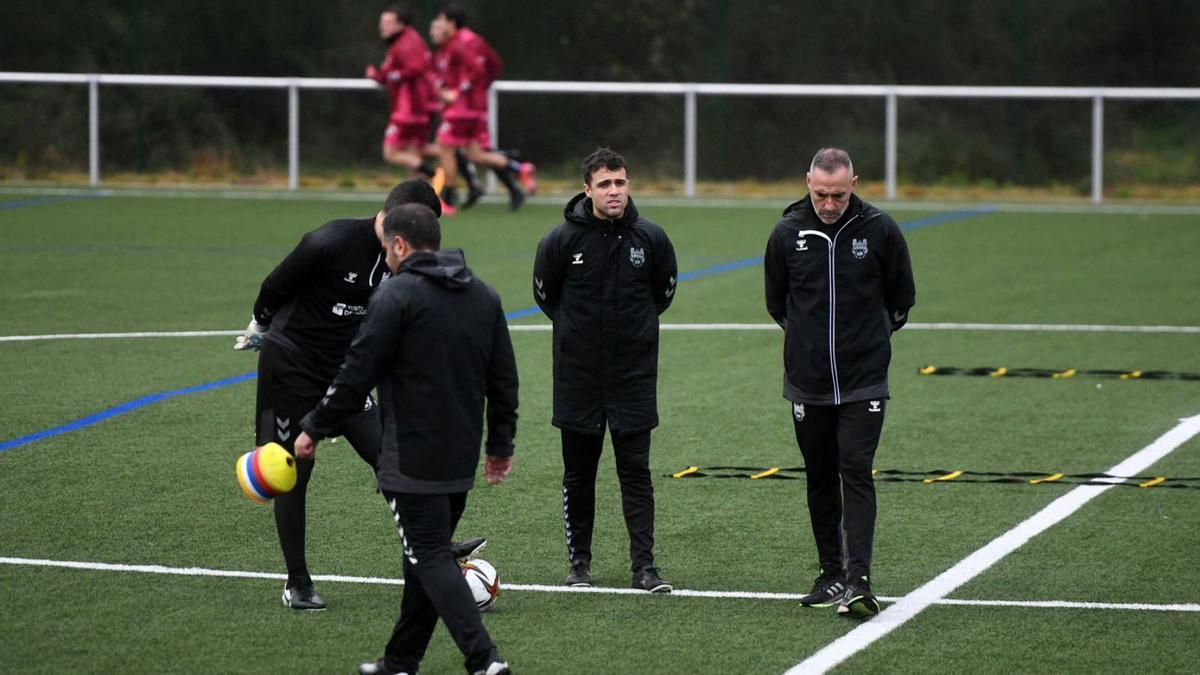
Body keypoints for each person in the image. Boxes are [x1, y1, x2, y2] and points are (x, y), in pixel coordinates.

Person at [234, 179, 485, 611]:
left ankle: (436, 549)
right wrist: (259, 325)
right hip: (290, 366)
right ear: (396, 218)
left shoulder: (405, 258)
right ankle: (298, 583)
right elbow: (274, 285)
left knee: (392, 455)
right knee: (292, 468)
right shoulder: (329, 241)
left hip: (343, 375)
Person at [293, 203, 517, 675]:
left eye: (387, 249)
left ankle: (484, 659)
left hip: (412, 458)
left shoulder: (395, 297)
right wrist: (500, 445)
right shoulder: (483, 294)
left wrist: (314, 425)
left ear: (399, 245)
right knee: (422, 556)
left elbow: (357, 372)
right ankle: (400, 661)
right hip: (459, 457)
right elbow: (503, 380)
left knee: (429, 555)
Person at [763, 147, 915, 618]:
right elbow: (777, 303)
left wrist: (866, 343)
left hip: (864, 380)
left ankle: (859, 580)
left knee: (856, 468)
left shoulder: (880, 230)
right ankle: (830, 574)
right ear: (807, 181)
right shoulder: (788, 232)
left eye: (839, 195)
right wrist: (809, 346)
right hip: (807, 382)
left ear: (855, 183)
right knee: (819, 474)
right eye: (821, 194)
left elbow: (902, 298)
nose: (829, 204)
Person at [532, 147, 678, 593]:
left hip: (633, 377)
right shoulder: (560, 241)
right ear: (587, 189)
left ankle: (645, 567)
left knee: (636, 471)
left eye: (620, 182)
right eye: (604, 184)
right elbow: (545, 297)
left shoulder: (651, 238)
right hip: (578, 378)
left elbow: (663, 293)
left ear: (628, 185)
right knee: (579, 474)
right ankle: (578, 563)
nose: (614, 191)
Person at [429, 4, 536, 211]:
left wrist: (459, 92)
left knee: (444, 146)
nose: (438, 25)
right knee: (474, 154)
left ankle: (448, 199)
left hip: (464, 109)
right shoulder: (453, 44)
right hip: (470, 106)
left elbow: (479, 68)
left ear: (451, 22)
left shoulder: (463, 42)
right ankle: (520, 168)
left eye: (441, 21)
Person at [365, 6, 440, 186]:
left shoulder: (405, 44)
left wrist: (380, 76)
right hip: (420, 106)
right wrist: (381, 75)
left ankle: (438, 174)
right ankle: (423, 197)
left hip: (409, 109)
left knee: (390, 153)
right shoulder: (407, 40)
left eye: (387, 22)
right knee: (415, 152)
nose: (382, 26)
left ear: (400, 24)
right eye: (382, 22)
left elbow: (415, 69)